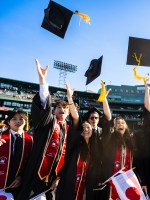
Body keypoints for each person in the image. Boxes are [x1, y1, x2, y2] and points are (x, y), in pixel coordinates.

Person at [17, 59, 79, 200]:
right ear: (53, 111)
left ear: (69, 112)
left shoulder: (70, 130)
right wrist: (43, 82)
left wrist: (59, 176)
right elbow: (44, 105)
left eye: (65, 108)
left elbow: (69, 156)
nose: (62, 109)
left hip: (53, 179)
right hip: (36, 173)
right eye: (58, 107)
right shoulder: (48, 123)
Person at [56, 121, 96, 200]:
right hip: (72, 182)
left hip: (86, 185)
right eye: (83, 128)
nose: (86, 129)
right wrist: (58, 177)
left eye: (88, 127)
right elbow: (67, 163)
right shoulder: (75, 146)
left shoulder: (95, 147)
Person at [0, 109, 33, 198]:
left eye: (21, 119)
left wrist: (21, 177)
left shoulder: (31, 140)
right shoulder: (0, 137)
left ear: (26, 122)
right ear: (8, 122)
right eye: (14, 119)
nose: (18, 121)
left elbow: (30, 164)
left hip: (19, 185)